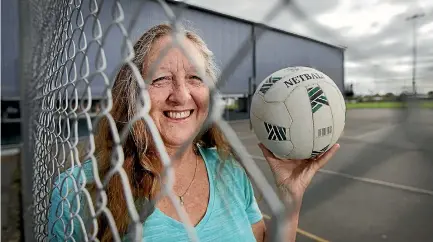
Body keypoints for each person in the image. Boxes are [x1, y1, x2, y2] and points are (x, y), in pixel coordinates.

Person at [48, 23, 340, 242]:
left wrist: (290, 194)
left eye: (194, 78)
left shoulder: (229, 170)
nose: (181, 95)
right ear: (132, 93)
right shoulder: (78, 191)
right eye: (160, 78)